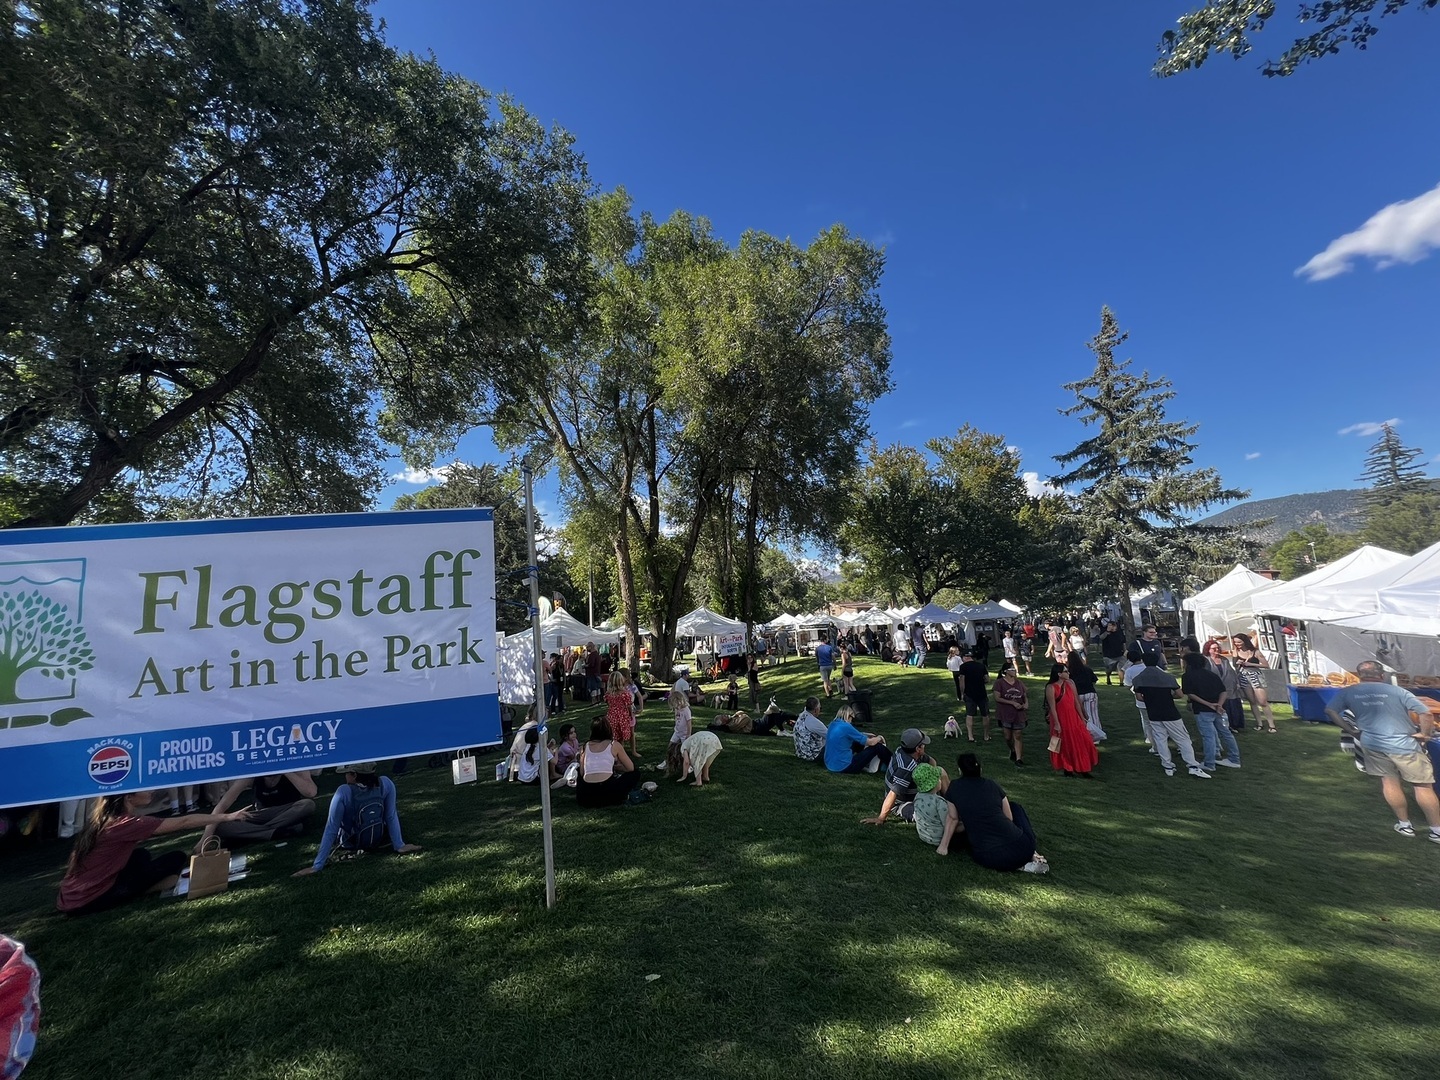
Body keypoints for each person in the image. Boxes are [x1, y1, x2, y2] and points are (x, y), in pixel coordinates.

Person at [57, 793, 251, 914]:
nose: (150, 791)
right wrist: (227, 817)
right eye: (144, 788)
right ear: (129, 798)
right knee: (175, 859)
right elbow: (183, 822)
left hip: (70, 898)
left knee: (140, 855)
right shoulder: (125, 824)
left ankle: (134, 886)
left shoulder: (102, 821)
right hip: (89, 901)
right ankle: (139, 890)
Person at [1326, 660, 1440, 844]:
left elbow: (1330, 711)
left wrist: (1351, 730)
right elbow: (1425, 713)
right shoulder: (1398, 691)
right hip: (1405, 745)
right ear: (1381, 675)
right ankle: (1436, 831)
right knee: (1422, 786)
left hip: (1373, 744)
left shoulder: (1348, 692)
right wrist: (1425, 734)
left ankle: (1405, 825)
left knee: (1389, 782)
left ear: (1359, 675)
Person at [295, 763, 421, 875]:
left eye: (346, 773)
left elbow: (331, 828)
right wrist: (400, 845)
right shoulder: (385, 783)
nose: (345, 777)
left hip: (351, 842)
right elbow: (391, 816)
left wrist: (317, 865)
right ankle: (396, 843)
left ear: (354, 775)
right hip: (378, 838)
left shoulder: (344, 791)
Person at [942, 753, 1049, 872]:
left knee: (969, 835)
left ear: (960, 770)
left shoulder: (954, 787)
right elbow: (1009, 818)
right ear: (980, 769)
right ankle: (1030, 855)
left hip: (989, 856)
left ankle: (1020, 865)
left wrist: (943, 846)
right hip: (1023, 847)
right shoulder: (992, 785)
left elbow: (953, 818)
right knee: (1015, 807)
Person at [1131, 654, 1210, 779]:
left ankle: (1167, 766)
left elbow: (1139, 697)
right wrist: (1169, 697)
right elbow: (1180, 694)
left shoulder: (1138, 679)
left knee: (1160, 739)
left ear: (1143, 661)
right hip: (1170, 713)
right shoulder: (1167, 677)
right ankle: (1192, 766)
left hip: (1153, 713)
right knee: (1183, 739)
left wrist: (1151, 700)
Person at [204, 770, 318, 846]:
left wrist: (285, 770)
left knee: (307, 805)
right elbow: (223, 804)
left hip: (286, 812)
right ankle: (274, 832)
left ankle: (258, 833)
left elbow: (311, 792)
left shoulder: (294, 768)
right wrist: (205, 838)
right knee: (220, 826)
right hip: (261, 815)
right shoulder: (252, 773)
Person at [863, 728, 947, 824]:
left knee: (941, 771)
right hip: (903, 803)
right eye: (923, 744)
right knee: (930, 814)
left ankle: (951, 802)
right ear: (918, 749)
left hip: (918, 795)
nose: (925, 746)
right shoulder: (906, 768)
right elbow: (893, 793)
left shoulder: (902, 750)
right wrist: (881, 818)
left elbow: (931, 760)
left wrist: (932, 776)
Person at [1181, 652, 1241, 772]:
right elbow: (1223, 691)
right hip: (1219, 709)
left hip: (1202, 710)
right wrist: (1219, 704)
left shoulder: (1187, 676)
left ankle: (1209, 763)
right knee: (1226, 734)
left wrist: (1208, 704)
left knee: (1208, 736)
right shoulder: (1212, 675)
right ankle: (1234, 759)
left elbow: (1190, 694)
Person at [1044, 663, 1098, 777]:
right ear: (1059, 674)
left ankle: (1082, 767)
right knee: (1064, 744)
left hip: (1073, 718)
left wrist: (1082, 717)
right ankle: (1067, 768)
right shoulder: (1051, 687)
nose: (1068, 673)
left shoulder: (1070, 683)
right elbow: (1052, 708)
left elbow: (1076, 702)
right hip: (1061, 719)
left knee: (1083, 741)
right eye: (1065, 671)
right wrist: (1057, 723)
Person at [575, 717, 640, 807]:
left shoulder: (585, 747)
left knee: (578, 771)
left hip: (586, 796)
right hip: (609, 792)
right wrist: (616, 768)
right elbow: (630, 768)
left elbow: (582, 773)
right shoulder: (614, 744)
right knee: (635, 773)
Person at [824, 705, 892, 774]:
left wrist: (865, 734)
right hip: (844, 767)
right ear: (849, 716)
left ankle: (870, 760)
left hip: (830, 765)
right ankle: (892, 763)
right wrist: (879, 737)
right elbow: (871, 742)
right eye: (852, 718)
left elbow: (849, 734)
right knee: (878, 747)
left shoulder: (832, 724)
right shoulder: (846, 727)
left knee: (856, 742)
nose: (851, 721)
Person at [1231, 633, 1277, 732]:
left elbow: (1266, 665)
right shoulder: (1235, 651)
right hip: (1243, 676)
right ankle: (1259, 724)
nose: (1237, 644)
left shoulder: (1255, 652)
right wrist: (1237, 663)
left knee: (1263, 702)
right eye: (1235, 642)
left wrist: (1250, 664)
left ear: (1245, 641)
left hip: (1256, 676)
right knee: (1252, 702)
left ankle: (1271, 725)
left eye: (1239, 642)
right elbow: (1235, 665)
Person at [908, 763, 956, 851]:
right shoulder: (939, 802)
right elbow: (948, 823)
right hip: (938, 839)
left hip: (924, 835)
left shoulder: (918, 796)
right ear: (935, 783)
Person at [1203, 640, 1246, 733]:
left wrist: (1236, 683)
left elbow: (1231, 672)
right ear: (1208, 650)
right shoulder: (1205, 660)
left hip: (1229, 687)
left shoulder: (1224, 659)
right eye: (1214, 648)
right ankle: (1221, 726)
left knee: (1232, 705)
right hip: (1214, 688)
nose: (1217, 650)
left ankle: (1234, 725)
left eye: (1218, 648)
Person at [993, 664, 1029, 766]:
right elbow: (997, 698)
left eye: (1014, 669)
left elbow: (1025, 694)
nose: (1014, 671)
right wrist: (1012, 703)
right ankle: (1012, 749)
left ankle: (1019, 759)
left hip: (1019, 713)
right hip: (1005, 713)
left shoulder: (1019, 682)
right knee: (1007, 737)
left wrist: (1026, 703)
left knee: (1018, 734)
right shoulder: (999, 683)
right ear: (1006, 671)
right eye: (1011, 669)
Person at [1067, 649, 1106, 742]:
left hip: (1077, 695)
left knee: (1080, 715)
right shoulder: (1087, 669)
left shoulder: (1069, 672)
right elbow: (1094, 680)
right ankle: (1096, 736)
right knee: (1093, 715)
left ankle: (1083, 733)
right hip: (1090, 693)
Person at [604, 670, 638, 758]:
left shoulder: (608, 694)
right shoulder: (625, 694)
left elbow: (608, 704)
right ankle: (620, 756)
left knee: (614, 736)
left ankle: (615, 755)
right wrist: (630, 715)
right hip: (622, 717)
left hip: (611, 717)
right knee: (621, 737)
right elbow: (629, 706)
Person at [958, 650, 990, 742]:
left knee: (969, 714)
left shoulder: (963, 667)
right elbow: (987, 679)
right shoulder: (981, 665)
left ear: (965, 657)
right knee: (985, 714)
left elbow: (962, 680)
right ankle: (986, 735)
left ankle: (970, 736)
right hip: (981, 692)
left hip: (969, 693)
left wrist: (962, 693)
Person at [793, 696, 829, 763]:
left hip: (801, 753)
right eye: (820, 708)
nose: (820, 710)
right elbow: (830, 736)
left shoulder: (802, 715)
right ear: (815, 710)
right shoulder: (813, 721)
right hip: (813, 755)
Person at [550, 723, 580, 787]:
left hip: (571, 761)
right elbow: (574, 757)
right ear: (565, 736)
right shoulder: (565, 747)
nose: (574, 734)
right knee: (578, 763)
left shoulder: (575, 741)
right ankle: (567, 779)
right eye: (571, 733)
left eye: (574, 732)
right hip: (563, 767)